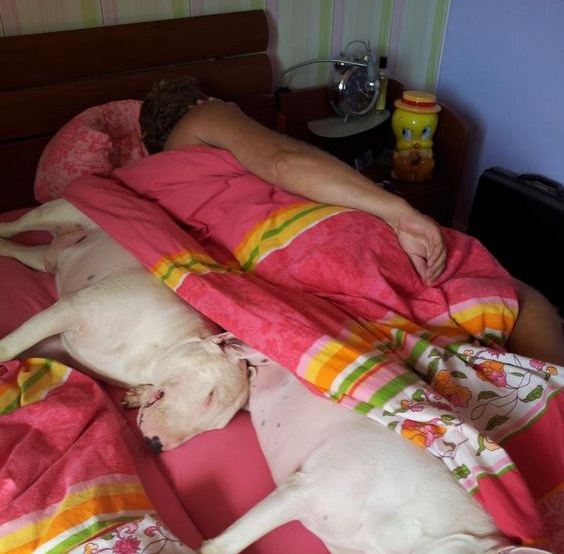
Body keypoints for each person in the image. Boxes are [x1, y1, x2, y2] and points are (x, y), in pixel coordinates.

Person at [139, 77, 564, 366]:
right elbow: (284, 161)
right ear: (197, 103)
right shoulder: (203, 118)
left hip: (269, 275)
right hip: (317, 241)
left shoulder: (141, 184)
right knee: (521, 299)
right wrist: (400, 212)